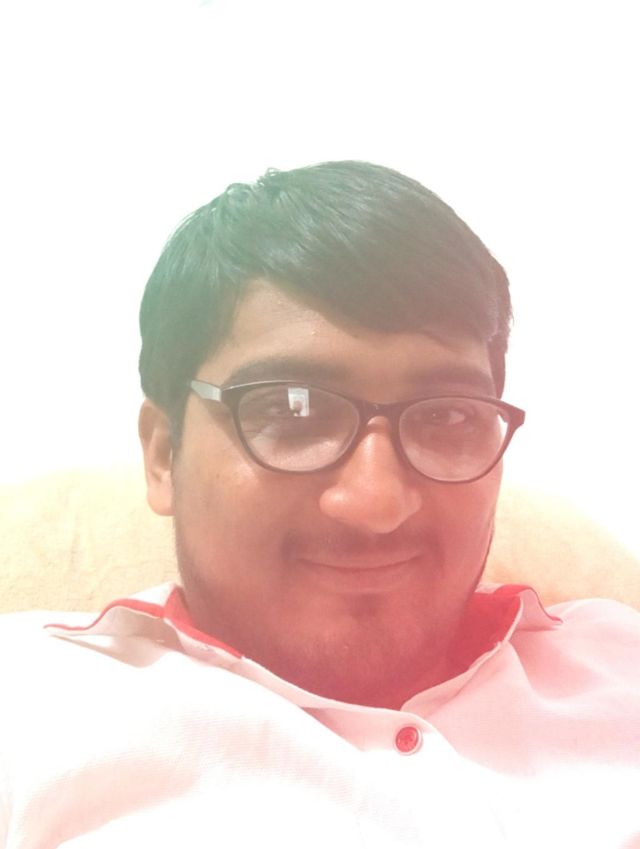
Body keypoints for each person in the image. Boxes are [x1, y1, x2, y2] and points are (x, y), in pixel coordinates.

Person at [1, 161, 638, 847]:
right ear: (162, 454)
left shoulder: (616, 660)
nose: (376, 502)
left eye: (448, 416)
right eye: (292, 410)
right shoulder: (29, 704)